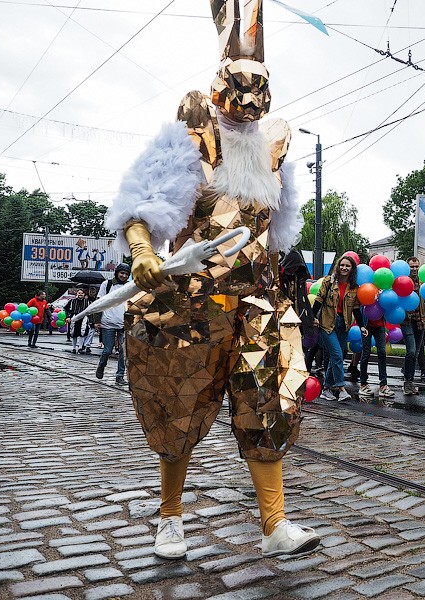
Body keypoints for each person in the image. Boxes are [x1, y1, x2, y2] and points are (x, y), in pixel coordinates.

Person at [102, 1, 319, 561]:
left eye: (259, 90)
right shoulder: (193, 139)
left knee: (267, 401)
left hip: (257, 304)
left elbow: (275, 237)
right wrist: (145, 250)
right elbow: (143, 201)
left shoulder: (274, 151)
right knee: (178, 404)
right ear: (218, 87)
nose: (248, 103)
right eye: (237, 87)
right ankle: (170, 518)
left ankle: (275, 523)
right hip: (190, 304)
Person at [312, 255, 366, 401]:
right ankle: (341, 389)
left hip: (344, 324)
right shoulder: (328, 281)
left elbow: (355, 308)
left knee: (338, 356)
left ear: (352, 269)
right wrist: (313, 317)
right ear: (338, 266)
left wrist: (361, 326)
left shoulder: (354, 287)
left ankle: (326, 389)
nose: (344, 268)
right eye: (342, 265)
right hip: (327, 323)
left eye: (347, 266)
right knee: (336, 354)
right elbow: (318, 300)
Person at [95, 265, 130, 384]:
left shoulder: (129, 286)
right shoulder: (107, 284)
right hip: (108, 322)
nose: (124, 276)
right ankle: (101, 365)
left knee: (123, 350)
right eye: (122, 273)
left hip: (123, 324)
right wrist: (97, 320)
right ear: (117, 273)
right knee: (107, 350)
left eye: (126, 274)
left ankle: (120, 375)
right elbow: (99, 302)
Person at [399, 257, 425, 395]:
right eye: (412, 267)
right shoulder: (402, 282)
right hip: (407, 321)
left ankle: (409, 380)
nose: (415, 269)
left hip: (421, 322)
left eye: (417, 266)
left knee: (416, 353)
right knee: (411, 351)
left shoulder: (424, 283)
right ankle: (408, 382)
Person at [358, 310, 395, 399]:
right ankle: (363, 384)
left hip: (380, 325)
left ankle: (383, 385)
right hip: (366, 325)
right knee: (366, 353)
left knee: (382, 352)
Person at [65, 287, 95, 354]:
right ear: (77, 294)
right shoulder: (72, 301)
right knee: (73, 333)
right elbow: (66, 308)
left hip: (84, 318)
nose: (80, 294)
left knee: (83, 333)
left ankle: (80, 347)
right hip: (74, 317)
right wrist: (67, 317)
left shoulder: (87, 302)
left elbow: (90, 311)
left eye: (82, 293)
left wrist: (90, 321)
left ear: (84, 294)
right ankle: (74, 348)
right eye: (79, 293)